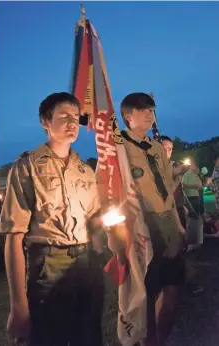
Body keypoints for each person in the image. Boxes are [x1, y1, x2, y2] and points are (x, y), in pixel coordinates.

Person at [0, 92, 105, 346]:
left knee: (89, 337)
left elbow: (94, 221)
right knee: (48, 337)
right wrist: (18, 305)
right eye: (63, 116)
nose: (72, 122)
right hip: (48, 266)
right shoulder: (27, 167)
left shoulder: (85, 170)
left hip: (87, 264)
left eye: (76, 117)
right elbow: (13, 237)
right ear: (45, 122)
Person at [106, 93, 186, 346]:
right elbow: (110, 194)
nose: (151, 115)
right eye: (144, 111)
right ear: (128, 116)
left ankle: (158, 340)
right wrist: (116, 237)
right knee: (145, 296)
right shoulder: (119, 149)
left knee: (173, 292)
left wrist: (177, 223)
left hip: (167, 224)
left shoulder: (157, 149)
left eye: (152, 111)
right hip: (143, 226)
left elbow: (167, 190)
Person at [160, 135, 188, 229]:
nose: (168, 151)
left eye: (170, 149)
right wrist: (176, 181)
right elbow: (165, 193)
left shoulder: (169, 165)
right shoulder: (156, 169)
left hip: (178, 205)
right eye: (165, 148)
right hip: (168, 210)